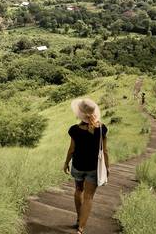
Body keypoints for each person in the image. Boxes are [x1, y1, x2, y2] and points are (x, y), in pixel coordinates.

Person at [63, 98, 109, 234]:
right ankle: (81, 228)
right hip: (93, 168)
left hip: (77, 166)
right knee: (89, 197)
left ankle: (79, 218)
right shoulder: (102, 129)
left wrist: (66, 163)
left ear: (79, 114)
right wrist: (107, 167)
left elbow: (71, 149)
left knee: (78, 191)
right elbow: (105, 151)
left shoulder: (74, 130)